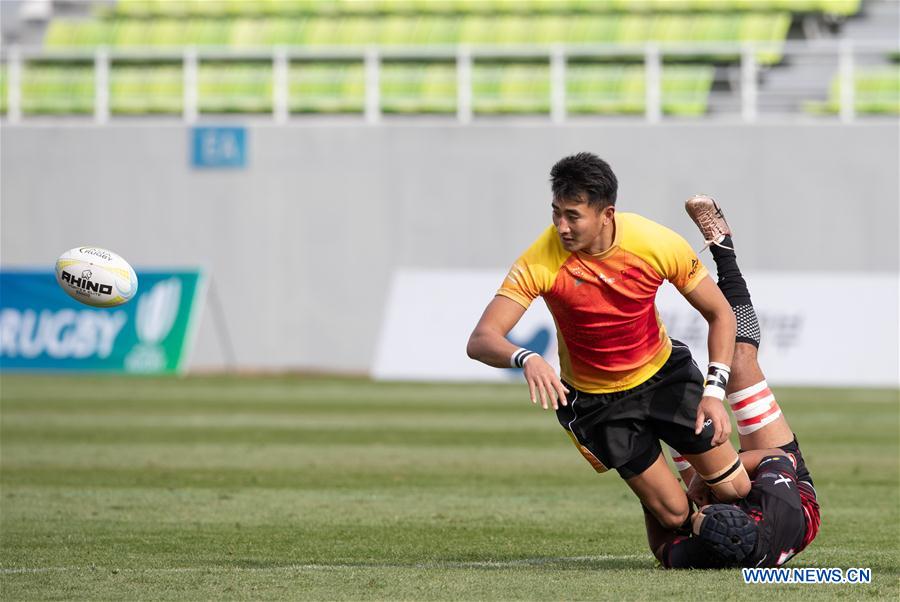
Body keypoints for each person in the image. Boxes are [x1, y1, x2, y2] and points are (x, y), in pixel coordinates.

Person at [466, 153, 750, 536]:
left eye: (572, 215)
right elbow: (481, 339)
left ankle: (772, 463)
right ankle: (673, 485)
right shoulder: (540, 260)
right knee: (674, 517)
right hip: (599, 404)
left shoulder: (655, 243)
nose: (561, 227)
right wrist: (526, 357)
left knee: (736, 489)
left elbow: (720, 314)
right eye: (556, 213)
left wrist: (713, 392)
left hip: (663, 377)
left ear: (607, 214)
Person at [647, 195, 820, 568]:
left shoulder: (699, 553)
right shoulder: (779, 506)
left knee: (679, 416)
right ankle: (724, 248)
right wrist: (708, 477)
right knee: (741, 362)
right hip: (788, 490)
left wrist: (665, 501)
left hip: (739, 525)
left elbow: (663, 547)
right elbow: (777, 458)